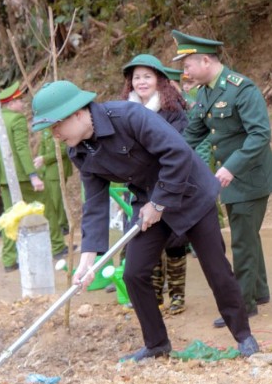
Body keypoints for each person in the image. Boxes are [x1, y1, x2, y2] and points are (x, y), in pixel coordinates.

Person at [29, 80, 260, 361]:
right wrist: (87, 262)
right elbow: (95, 203)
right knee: (134, 273)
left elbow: (177, 153)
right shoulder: (79, 150)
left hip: (188, 192)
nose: (54, 134)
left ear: (76, 113)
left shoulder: (129, 116)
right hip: (147, 203)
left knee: (216, 268)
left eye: (55, 125)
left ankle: (244, 336)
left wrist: (160, 202)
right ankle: (157, 344)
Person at [174, 30, 272, 328]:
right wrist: (167, 155)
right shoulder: (206, 91)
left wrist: (231, 167)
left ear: (205, 61)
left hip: (249, 177)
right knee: (248, 236)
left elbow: (260, 134)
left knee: (242, 241)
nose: (185, 73)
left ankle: (242, 304)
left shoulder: (241, 89)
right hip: (231, 179)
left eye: (187, 67)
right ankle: (258, 292)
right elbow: (192, 134)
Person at [118, 53, 191, 315]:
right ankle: (156, 294)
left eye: (147, 76)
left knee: (174, 240)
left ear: (158, 80)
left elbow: (181, 147)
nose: (141, 82)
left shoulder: (173, 110)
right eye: (136, 77)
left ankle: (178, 295)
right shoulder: (125, 110)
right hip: (140, 187)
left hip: (169, 183)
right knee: (145, 235)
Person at [0, 83, 66, 272]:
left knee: (9, 216)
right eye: (20, 100)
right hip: (22, 176)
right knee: (47, 208)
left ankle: (9, 260)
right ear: (11, 103)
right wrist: (32, 175)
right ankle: (57, 247)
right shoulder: (17, 120)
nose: (23, 104)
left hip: (3, 179)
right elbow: (22, 149)